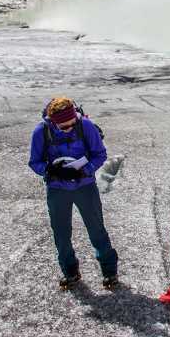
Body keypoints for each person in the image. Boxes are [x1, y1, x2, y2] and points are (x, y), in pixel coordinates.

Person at [28, 97, 118, 290]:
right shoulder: (41, 131)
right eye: (63, 126)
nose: (68, 128)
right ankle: (70, 272)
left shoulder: (85, 126)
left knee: (97, 230)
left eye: (71, 124)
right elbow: (34, 161)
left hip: (85, 187)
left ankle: (110, 272)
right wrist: (51, 171)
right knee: (61, 234)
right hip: (57, 190)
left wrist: (84, 170)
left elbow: (100, 154)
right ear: (53, 121)